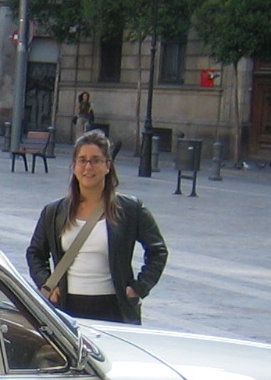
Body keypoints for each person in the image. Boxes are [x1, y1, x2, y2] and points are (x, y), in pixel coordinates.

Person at [26, 129, 166, 324]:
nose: (88, 167)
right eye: (82, 160)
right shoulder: (54, 211)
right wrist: (47, 283)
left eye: (96, 160)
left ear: (108, 166)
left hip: (114, 309)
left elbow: (157, 250)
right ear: (74, 166)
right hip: (67, 309)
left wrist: (139, 288)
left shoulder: (130, 209)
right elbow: (35, 253)